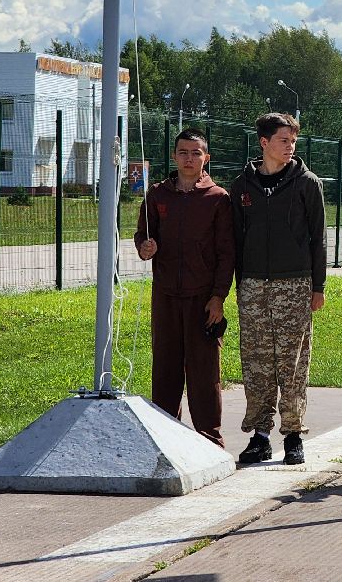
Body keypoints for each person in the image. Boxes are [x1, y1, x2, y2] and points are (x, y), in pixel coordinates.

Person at [230, 112, 327, 466]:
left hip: (295, 284)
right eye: (284, 141)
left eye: (294, 141)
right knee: (256, 362)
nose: (290, 147)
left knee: (293, 363)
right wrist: (238, 286)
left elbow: (318, 239)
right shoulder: (242, 186)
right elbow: (236, 241)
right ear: (264, 143)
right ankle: (260, 435)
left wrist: (318, 286)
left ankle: (293, 435)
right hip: (253, 285)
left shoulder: (306, 184)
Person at [134, 129, 233, 447]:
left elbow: (226, 253)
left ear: (206, 158)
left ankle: (209, 439)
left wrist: (218, 297)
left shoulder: (218, 199)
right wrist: (145, 246)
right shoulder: (157, 195)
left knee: (204, 370)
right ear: (174, 156)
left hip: (203, 298)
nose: (189, 159)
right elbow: (142, 235)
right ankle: (165, 436)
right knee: (165, 366)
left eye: (196, 152)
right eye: (183, 152)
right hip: (165, 295)